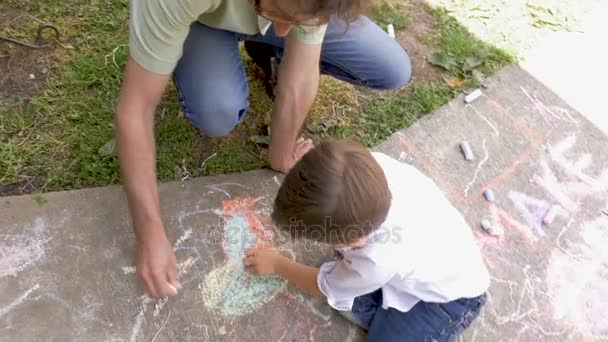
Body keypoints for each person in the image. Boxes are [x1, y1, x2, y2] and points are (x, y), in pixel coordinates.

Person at [116, 0, 412, 298]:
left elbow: (301, 72)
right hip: (203, 19)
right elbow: (135, 109)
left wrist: (281, 154)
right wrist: (149, 230)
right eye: (276, 15)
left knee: (391, 68)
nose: (283, 31)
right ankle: (202, 46)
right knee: (216, 112)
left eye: (296, 21)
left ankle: (265, 49)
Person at [244, 140, 489, 341]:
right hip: (424, 258)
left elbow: (323, 286)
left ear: (355, 240)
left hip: (449, 301)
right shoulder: (370, 169)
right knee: (349, 293)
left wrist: (277, 265)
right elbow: (333, 178)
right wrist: (309, 176)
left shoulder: (377, 259)